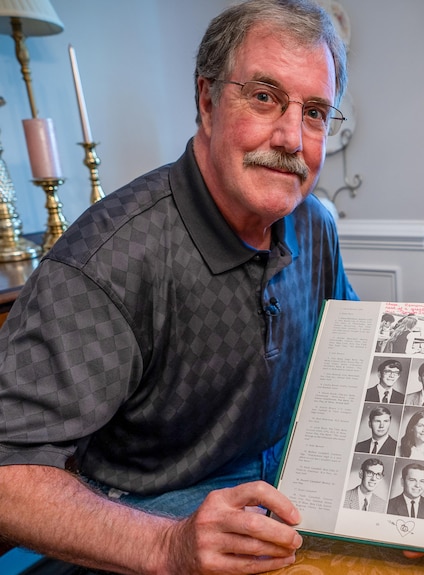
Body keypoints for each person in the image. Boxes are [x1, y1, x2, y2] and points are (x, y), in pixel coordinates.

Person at [0, 2, 356, 573]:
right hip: (144, 530)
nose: (292, 137)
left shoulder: (316, 224)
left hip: (281, 507)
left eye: (315, 111)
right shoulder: (106, 260)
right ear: (208, 101)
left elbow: (350, 347)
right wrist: (166, 545)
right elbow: (7, 476)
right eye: (264, 97)